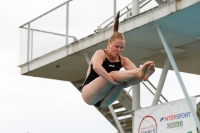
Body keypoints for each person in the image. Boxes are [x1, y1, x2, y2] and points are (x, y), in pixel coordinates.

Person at [81, 11, 155, 108]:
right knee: (113, 74)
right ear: (109, 45)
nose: (119, 50)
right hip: (89, 94)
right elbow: (96, 67)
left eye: (122, 47)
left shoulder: (123, 60)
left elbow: (133, 76)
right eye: (117, 47)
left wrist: (137, 78)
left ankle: (144, 77)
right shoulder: (100, 53)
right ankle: (140, 72)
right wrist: (112, 81)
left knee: (134, 76)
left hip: (105, 101)